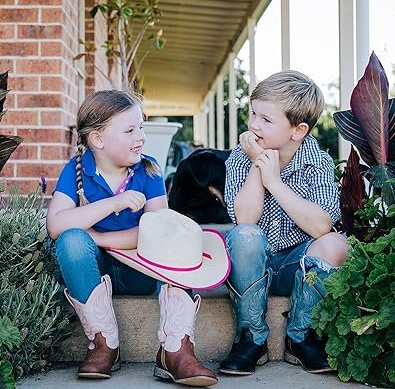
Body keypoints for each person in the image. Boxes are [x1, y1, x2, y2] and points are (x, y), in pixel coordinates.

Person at [46, 90, 220, 386]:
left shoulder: (148, 169)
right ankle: (104, 344)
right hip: (93, 271)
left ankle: (176, 350)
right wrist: (114, 203)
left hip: (140, 271)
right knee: (72, 241)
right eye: (130, 130)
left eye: (141, 127)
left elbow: (160, 233)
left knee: (178, 246)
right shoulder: (76, 169)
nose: (140, 136)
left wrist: (100, 238)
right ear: (98, 139)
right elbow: (56, 225)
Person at [219, 71, 350, 376]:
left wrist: (275, 182)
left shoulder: (316, 161)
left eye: (266, 119)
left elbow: (321, 227)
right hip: (251, 267)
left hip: (296, 269)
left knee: (336, 244)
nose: (253, 125)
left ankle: (301, 336)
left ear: (298, 130)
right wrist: (258, 164)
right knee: (246, 237)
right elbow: (245, 221)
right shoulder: (240, 156)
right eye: (253, 114)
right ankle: (251, 337)